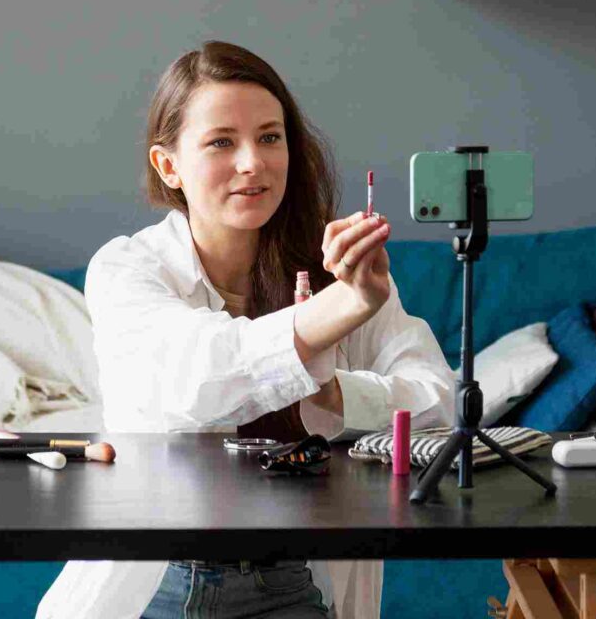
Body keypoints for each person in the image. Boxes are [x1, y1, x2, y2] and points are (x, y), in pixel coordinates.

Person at [36, 41, 455, 618]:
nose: (252, 162)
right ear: (169, 165)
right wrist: (343, 307)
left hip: (290, 582)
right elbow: (196, 379)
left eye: (269, 137)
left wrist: (336, 394)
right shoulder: (127, 268)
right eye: (221, 142)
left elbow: (436, 400)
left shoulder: (337, 268)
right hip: (159, 581)